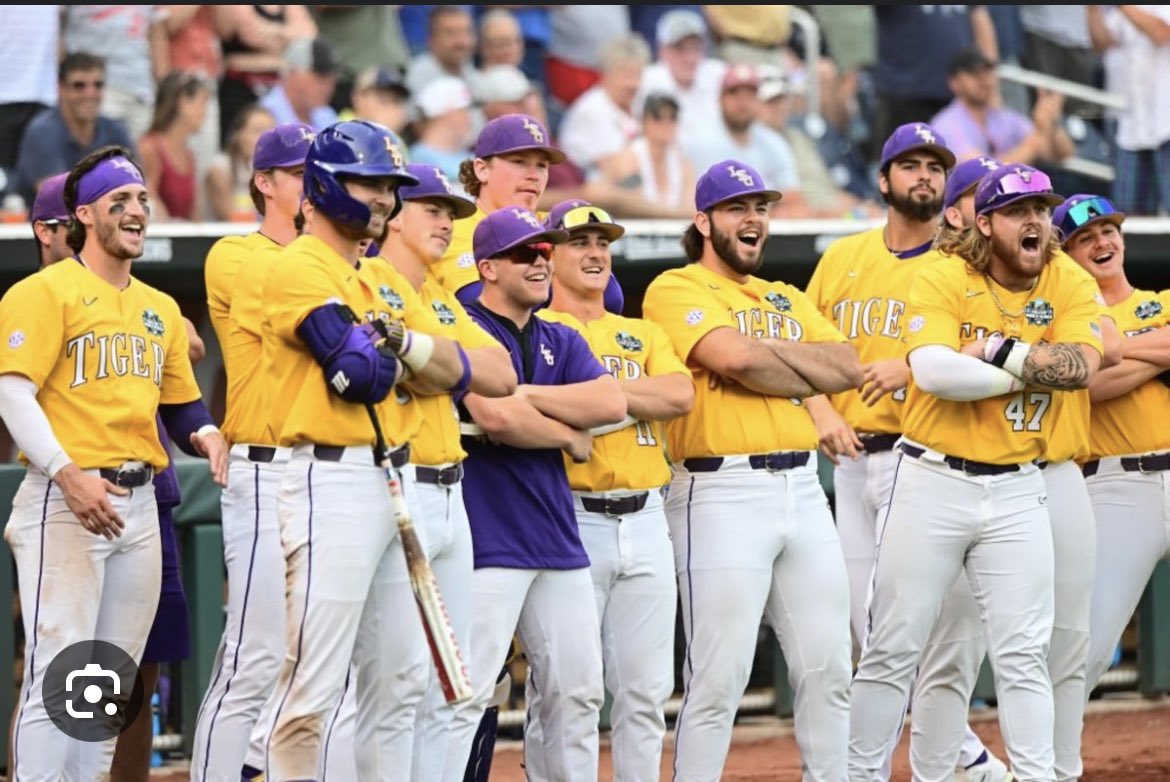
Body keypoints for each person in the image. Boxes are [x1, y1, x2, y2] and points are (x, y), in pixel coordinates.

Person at [848, 164, 1105, 781]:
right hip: (932, 479)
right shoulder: (944, 272)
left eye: (1042, 209)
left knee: (1025, 655)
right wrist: (1030, 366)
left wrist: (995, 351)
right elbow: (935, 373)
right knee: (893, 648)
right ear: (985, 223)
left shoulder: (1065, 274)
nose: (1036, 222)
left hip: (1020, 484)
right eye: (1020, 211)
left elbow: (1082, 366)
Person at [0, 145, 227, 778]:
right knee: (59, 666)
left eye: (142, 201)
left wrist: (209, 438)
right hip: (65, 498)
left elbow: (183, 408)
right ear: (82, 216)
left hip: (139, 504)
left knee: (104, 680)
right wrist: (67, 474)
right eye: (118, 202)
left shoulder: (157, 307)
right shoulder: (45, 291)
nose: (136, 212)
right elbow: (11, 391)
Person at [257, 120, 474, 779]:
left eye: (389, 187)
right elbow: (355, 373)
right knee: (313, 688)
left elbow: (460, 370)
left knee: (398, 684)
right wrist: (395, 350)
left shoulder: (379, 279)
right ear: (324, 183)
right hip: (330, 482)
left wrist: (391, 346)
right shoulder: (299, 263)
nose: (383, 198)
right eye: (370, 183)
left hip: (389, 479)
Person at [641, 160, 862, 781]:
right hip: (718, 488)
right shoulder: (675, 286)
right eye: (738, 207)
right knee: (718, 677)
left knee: (828, 667)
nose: (753, 219)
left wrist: (763, 361)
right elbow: (732, 356)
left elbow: (847, 366)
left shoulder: (784, 296)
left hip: (801, 488)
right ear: (703, 220)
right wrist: (789, 365)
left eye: (761, 207)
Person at [441, 206, 628, 782]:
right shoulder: (463, 323)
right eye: (527, 253)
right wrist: (568, 434)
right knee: (466, 697)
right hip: (486, 535)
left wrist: (524, 398)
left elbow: (612, 404)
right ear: (488, 267)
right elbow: (494, 417)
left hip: (556, 536)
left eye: (546, 252)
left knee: (578, 694)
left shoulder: (560, 336)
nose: (542, 262)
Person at [532, 199, 694, 781]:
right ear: (547, 256)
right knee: (566, 690)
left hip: (648, 513)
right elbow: (539, 416)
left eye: (602, 243)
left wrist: (595, 404)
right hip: (571, 514)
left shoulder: (640, 331)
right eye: (580, 242)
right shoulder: (540, 330)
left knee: (647, 692)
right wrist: (626, 397)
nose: (596, 252)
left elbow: (679, 396)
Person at [377, 163, 517, 782]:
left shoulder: (435, 290)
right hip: (393, 488)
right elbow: (469, 372)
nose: (445, 222)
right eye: (432, 208)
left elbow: (503, 374)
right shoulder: (371, 279)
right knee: (391, 682)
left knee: (453, 684)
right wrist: (451, 363)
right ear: (393, 213)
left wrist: (419, 352)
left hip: (450, 490)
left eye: (451, 213)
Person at [803, 121, 955, 667]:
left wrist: (915, 367)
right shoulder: (843, 257)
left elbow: (989, 352)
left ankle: (959, 753)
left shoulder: (960, 264)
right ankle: (961, 753)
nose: (924, 177)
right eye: (911, 166)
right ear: (884, 180)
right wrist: (820, 410)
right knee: (864, 623)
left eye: (935, 168)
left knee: (891, 619)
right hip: (849, 460)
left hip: (918, 457)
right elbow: (799, 350)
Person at [192, 121, 315, 781]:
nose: (313, 185)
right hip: (265, 469)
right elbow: (305, 321)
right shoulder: (237, 254)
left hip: (328, 473)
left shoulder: (337, 259)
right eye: (299, 172)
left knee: (322, 660)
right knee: (256, 654)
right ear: (265, 181)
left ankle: (256, 763)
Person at [1055, 194, 1170, 703]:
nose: (1102, 243)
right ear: (1066, 255)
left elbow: (1107, 368)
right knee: (1090, 644)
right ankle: (1046, 767)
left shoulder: (1160, 299)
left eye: (1106, 231)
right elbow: (1090, 386)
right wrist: (1158, 349)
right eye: (1084, 238)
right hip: (1116, 484)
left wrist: (1117, 353)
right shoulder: (1067, 321)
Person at [434, 113, 623, 314]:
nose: (533, 176)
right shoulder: (457, 228)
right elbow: (483, 304)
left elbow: (611, 299)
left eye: (541, 166)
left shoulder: (555, 223)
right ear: (482, 169)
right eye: (519, 162)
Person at [14, 52, 138, 210]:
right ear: (61, 89)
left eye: (98, 85)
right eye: (79, 86)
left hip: (103, 226)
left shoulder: (115, 130)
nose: (90, 93)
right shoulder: (42, 132)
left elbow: (135, 187)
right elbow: (57, 198)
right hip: (46, 229)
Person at [929, 48, 1074, 167]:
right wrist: (1038, 135)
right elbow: (982, 173)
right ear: (954, 82)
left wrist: (1052, 124)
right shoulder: (946, 124)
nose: (983, 80)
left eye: (987, 72)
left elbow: (1062, 153)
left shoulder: (1003, 117)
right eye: (973, 73)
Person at [138, 70, 212, 221]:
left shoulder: (189, 155)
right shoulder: (149, 148)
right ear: (183, 102)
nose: (205, 112)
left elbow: (194, 213)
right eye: (202, 102)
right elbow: (147, 201)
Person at [204, 103, 277, 222]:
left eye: (271, 132)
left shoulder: (276, 170)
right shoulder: (220, 169)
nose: (266, 138)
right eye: (257, 131)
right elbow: (228, 217)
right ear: (239, 135)